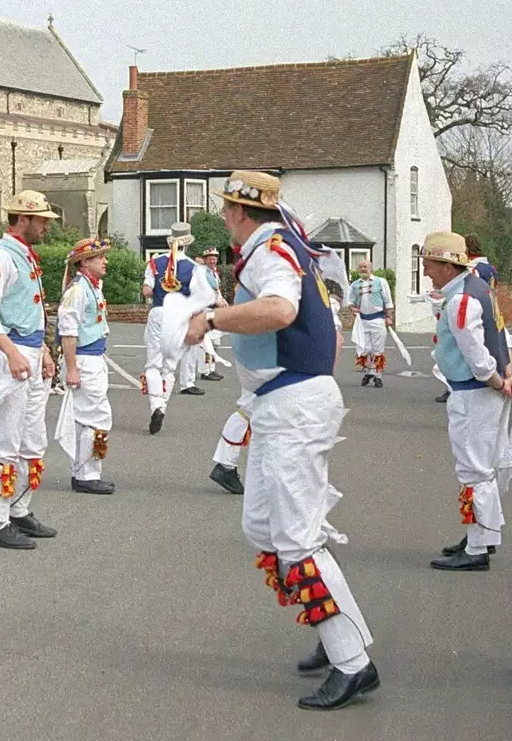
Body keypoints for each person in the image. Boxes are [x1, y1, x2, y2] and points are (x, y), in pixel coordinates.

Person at [185, 170, 378, 711]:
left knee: (295, 537)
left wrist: (213, 317)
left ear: (241, 213)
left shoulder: (270, 248)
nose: (224, 218)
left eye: (227, 210)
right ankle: (333, 626)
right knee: (265, 528)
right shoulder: (282, 235)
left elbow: (280, 309)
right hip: (281, 403)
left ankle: (353, 663)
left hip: (293, 403)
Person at [423, 232, 512, 570]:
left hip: (474, 392)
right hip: (481, 391)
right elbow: (500, 336)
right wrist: (507, 373)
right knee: (482, 466)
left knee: (474, 469)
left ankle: (478, 548)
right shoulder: (480, 289)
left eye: (429, 265)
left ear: (447, 266)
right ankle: (482, 536)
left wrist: (498, 381)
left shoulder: (461, 301)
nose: (426, 272)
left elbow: (477, 355)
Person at [0, 190, 59, 550]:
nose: (45, 227)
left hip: (28, 351)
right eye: (41, 220)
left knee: (32, 439)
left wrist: (42, 349)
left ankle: (20, 509)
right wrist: (11, 352)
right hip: (8, 352)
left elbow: (28, 312)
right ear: (22, 220)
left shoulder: (24, 257)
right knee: (5, 440)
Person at [56, 237, 116, 495]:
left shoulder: (93, 286)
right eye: (100, 257)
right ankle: (87, 475)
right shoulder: (78, 291)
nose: (105, 261)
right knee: (95, 417)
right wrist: (71, 368)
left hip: (93, 358)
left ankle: (84, 472)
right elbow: (68, 332)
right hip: (84, 359)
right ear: (84, 262)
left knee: (86, 418)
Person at [142, 221, 212, 433]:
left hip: (158, 313)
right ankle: (162, 405)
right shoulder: (195, 268)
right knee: (169, 367)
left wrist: (155, 290)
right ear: (187, 244)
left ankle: (155, 406)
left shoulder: (155, 263)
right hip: (179, 317)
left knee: (153, 364)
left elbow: (146, 291)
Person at [348, 258, 394, 388]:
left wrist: (389, 316)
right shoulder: (355, 284)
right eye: (361, 267)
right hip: (362, 321)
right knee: (365, 349)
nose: (363, 269)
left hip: (378, 319)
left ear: (371, 268)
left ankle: (377, 376)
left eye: (365, 267)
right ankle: (370, 372)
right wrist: (352, 308)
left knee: (377, 349)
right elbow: (350, 301)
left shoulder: (381, 282)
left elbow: (388, 300)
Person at [197, 247, 227, 381]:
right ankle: (205, 371)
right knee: (205, 343)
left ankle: (211, 369)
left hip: (215, 310)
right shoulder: (202, 274)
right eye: (209, 258)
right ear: (205, 260)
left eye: (214, 258)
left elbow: (217, 292)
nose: (212, 260)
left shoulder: (214, 273)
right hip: (206, 310)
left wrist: (223, 303)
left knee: (215, 342)